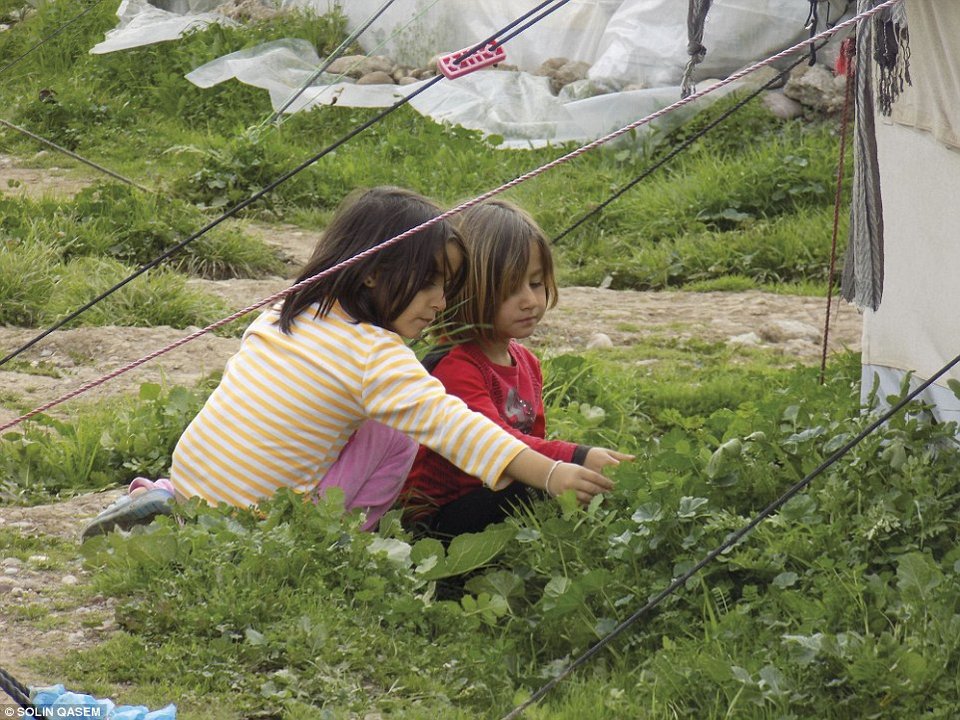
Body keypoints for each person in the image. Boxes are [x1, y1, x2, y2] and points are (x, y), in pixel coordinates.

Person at [81, 187, 613, 539]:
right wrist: (550, 472)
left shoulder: (288, 312)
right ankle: (341, 540)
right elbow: (453, 426)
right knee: (399, 431)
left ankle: (169, 503)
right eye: (429, 282)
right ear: (373, 274)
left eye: (446, 286)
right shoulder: (373, 357)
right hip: (263, 522)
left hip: (192, 474)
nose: (440, 302)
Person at [400, 198, 632, 539]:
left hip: (494, 495)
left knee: (550, 486)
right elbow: (501, 444)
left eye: (536, 284)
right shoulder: (455, 367)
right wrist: (578, 457)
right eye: (510, 289)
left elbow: (531, 441)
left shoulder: (525, 362)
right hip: (437, 523)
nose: (530, 301)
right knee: (541, 487)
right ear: (466, 290)